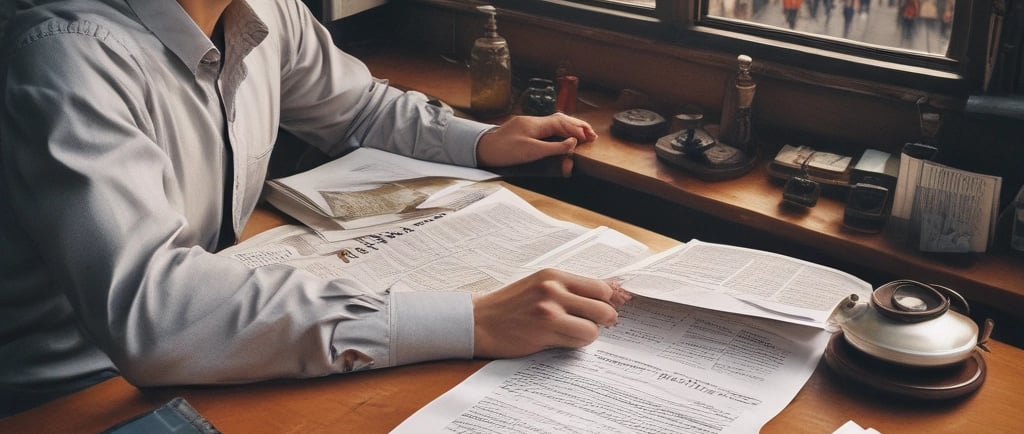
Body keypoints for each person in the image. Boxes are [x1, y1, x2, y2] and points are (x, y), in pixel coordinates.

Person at [0, 0, 630, 417]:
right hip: (74, 396)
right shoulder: (66, 54)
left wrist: (483, 141)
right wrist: (474, 321)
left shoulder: (267, 9)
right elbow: (152, 312)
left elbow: (358, 109)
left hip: (207, 349)